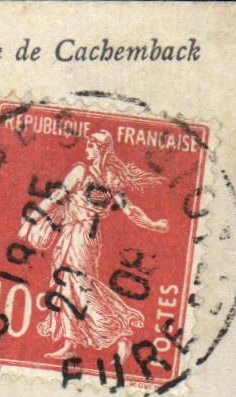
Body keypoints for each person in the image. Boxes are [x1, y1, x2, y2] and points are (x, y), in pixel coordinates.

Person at [18, 130, 169, 361]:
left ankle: (120, 335)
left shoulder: (84, 172)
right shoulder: (112, 178)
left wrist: (31, 221)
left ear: (101, 149)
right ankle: (70, 344)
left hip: (80, 236)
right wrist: (153, 224)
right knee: (67, 284)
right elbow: (130, 210)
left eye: (91, 146)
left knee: (79, 284)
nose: (87, 149)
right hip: (83, 235)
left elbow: (56, 198)